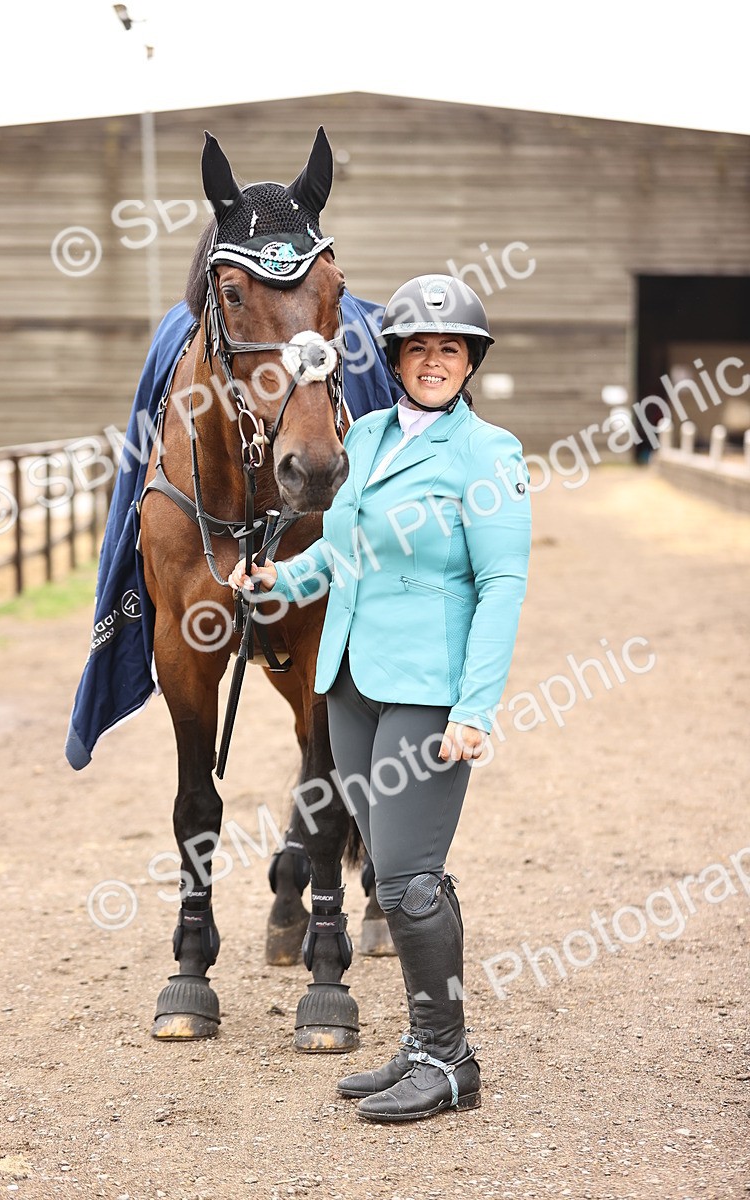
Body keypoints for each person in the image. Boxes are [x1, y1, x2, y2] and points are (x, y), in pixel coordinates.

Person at [229, 273, 531, 1122]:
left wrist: (475, 709)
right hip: (351, 685)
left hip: (429, 694)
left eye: (450, 348)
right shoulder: (363, 434)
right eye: (418, 347)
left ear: (469, 361)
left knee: (404, 882)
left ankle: (449, 1058)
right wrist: (278, 579)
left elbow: (502, 584)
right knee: (402, 871)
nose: (433, 361)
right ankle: (425, 1042)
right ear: (395, 356)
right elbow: (340, 550)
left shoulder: (488, 456)